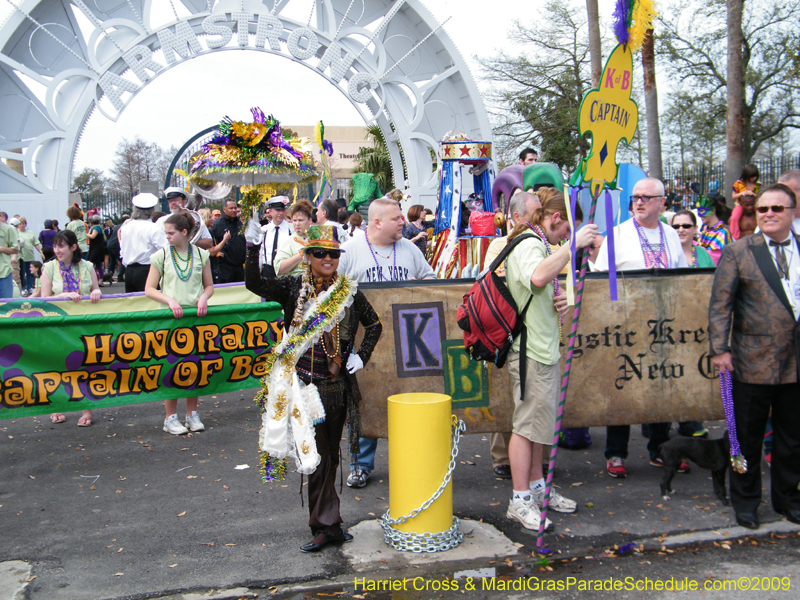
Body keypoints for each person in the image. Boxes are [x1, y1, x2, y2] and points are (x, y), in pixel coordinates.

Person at [244, 222, 383, 552]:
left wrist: (361, 357)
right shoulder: (293, 289)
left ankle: (330, 523)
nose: (327, 259)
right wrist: (251, 247)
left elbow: (374, 324)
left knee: (331, 457)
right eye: (320, 253)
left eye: (333, 254)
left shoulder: (347, 292)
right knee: (317, 456)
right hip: (305, 387)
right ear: (307, 256)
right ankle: (324, 524)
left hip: (334, 387)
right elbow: (253, 283)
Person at [504, 188, 597, 530]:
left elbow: (539, 285)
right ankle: (520, 499)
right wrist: (573, 247)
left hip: (540, 349)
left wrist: (555, 300)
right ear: (556, 219)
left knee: (538, 427)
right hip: (531, 352)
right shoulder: (530, 242)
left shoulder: (537, 243)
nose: (563, 239)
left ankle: (537, 489)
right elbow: (538, 277)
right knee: (526, 428)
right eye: (564, 232)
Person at [708, 183, 800, 529]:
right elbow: (721, 304)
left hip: (796, 363)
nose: (770, 214)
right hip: (751, 360)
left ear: (792, 212)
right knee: (745, 439)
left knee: (792, 439)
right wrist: (720, 349)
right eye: (763, 209)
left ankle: (789, 499)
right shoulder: (739, 251)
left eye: (778, 208)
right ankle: (745, 502)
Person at [593, 177, 689, 478]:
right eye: (635, 197)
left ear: (662, 202)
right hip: (626, 327)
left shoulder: (672, 234)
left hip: (663, 326)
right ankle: (616, 453)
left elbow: (683, 276)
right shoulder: (618, 234)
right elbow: (599, 281)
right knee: (623, 389)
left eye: (646, 197)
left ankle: (660, 448)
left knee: (661, 387)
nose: (639, 202)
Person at [337, 198, 435, 487]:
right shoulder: (350, 250)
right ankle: (359, 464)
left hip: (407, 344)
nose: (403, 221)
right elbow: (333, 294)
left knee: (410, 401)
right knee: (364, 402)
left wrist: (421, 284)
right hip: (365, 345)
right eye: (397, 218)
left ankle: (414, 461)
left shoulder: (409, 249)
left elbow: (431, 279)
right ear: (377, 222)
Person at [481, 191, 542, 478]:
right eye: (536, 212)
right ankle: (502, 457)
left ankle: (534, 471)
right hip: (505, 333)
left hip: (535, 335)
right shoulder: (498, 245)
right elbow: (492, 280)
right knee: (504, 396)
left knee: (530, 404)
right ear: (516, 216)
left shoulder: (544, 244)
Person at [145, 213, 214, 435]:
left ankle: (192, 414)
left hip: (194, 319)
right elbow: (150, 288)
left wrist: (203, 298)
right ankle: (170, 417)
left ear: (184, 233)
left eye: (171, 233)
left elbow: (209, 286)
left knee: (193, 366)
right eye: (166, 233)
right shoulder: (161, 256)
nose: (167, 237)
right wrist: (169, 300)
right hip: (170, 319)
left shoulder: (202, 255)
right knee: (171, 368)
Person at [41, 229, 101, 426]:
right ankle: (56, 407)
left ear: (73, 247)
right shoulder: (48, 268)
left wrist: (97, 292)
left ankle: (86, 411)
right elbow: (44, 298)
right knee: (56, 364)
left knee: (83, 365)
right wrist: (62, 296)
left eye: (61, 246)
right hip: (57, 324)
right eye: (55, 246)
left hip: (82, 323)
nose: (57, 250)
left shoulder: (87, 266)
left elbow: (95, 288)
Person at [119, 194, 167, 293]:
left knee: (133, 305)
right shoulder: (153, 228)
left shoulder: (126, 227)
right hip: (147, 270)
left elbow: (122, 251)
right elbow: (166, 249)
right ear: (151, 211)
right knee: (151, 304)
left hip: (129, 271)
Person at [209, 198, 246, 283]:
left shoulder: (239, 223)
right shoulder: (217, 225)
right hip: (225, 268)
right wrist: (216, 251)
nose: (234, 210)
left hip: (239, 267)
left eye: (235, 208)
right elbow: (209, 243)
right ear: (224, 209)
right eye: (231, 208)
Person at [275, 200, 314, 277]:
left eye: (301, 220)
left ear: (309, 220)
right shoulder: (288, 241)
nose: (297, 224)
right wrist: (301, 254)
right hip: (296, 284)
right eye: (294, 220)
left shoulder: (317, 239)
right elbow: (279, 269)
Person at [259, 196, 293, 278]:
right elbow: (260, 254)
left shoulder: (291, 230)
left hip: (286, 271)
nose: (281, 213)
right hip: (268, 271)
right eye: (277, 210)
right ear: (270, 212)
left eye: (283, 210)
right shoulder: (264, 230)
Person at [696, 196, 733, 265]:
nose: (699, 215)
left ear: (713, 211)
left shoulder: (723, 232)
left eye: (702, 211)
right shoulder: (706, 231)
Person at [729, 164, 760, 240]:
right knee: (734, 218)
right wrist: (742, 193)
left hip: (754, 205)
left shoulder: (758, 185)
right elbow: (733, 196)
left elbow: (761, 197)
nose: (753, 178)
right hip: (741, 205)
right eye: (751, 176)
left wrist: (754, 194)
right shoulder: (739, 184)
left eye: (755, 176)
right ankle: (734, 236)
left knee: (761, 215)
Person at [16, 217, 42, 296]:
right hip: (21, 257)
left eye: (23, 224)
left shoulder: (30, 232)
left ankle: (30, 287)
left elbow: (36, 243)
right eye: (20, 224)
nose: (22, 225)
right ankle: (23, 288)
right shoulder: (16, 233)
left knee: (30, 273)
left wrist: (40, 252)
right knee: (22, 273)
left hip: (30, 256)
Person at [0, 212, 19, 298]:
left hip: (4, 273)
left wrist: (1, 249)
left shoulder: (8, 229)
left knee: (5, 305)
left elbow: (16, 249)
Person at [86, 215, 107, 284]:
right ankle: (100, 280)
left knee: (91, 263)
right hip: (97, 248)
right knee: (98, 264)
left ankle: (96, 279)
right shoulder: (99, 227)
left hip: (96, 248)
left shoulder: (96, 228)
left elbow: (93, 236)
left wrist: (85, 234)